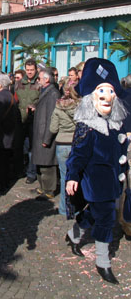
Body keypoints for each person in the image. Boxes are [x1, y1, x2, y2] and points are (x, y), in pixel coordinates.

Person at [65, 58, 128, 284]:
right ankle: (103, 261)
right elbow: (78, 154)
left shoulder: (115, 124)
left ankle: (74, 233)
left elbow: (119, 150)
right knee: (106, 219)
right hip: (95, 179)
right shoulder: (88, 126)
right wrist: (72, 177)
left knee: (96, 213)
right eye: (101, 91)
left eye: (110, 91)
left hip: (112, 178)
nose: (106, 96)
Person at [49, 81, 80, 216]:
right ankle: (76, 208)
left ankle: (63, 208)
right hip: (75, 144)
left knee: (63, 177)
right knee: (76, 178)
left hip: (61, 143)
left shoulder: (58, 106)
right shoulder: (80, 107)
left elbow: (53, 128)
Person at [31, 68, 60, 200]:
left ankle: (49, 190)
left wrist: (47, 138)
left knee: (47, 165)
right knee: (41, 164)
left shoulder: (53, 93)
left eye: (40, 78)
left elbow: (52, 118)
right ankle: (42, 187)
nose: (38, 80)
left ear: (47, 79)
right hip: (40, 133)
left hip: (45, 134)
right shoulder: (46, 92)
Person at [0, 73, 20, 193]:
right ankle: (5, 183)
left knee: (1, 162)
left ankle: (1, 185)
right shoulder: (10, 95)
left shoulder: (1, 97)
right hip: (9, 134)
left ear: (0, 84)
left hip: (2, 135)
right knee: (6, 162)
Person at [15, 59, 40, 184]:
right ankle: (20, 170)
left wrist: (35, 106)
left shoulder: (39, 83)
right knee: (20, 147)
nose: (29, 72)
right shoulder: (19, 83)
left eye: (32, 70)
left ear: (35, 70)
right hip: (20, 120)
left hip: (33, 121)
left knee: (32, 148)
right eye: (28, 70)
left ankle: (31, 173)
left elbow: (42, 100)